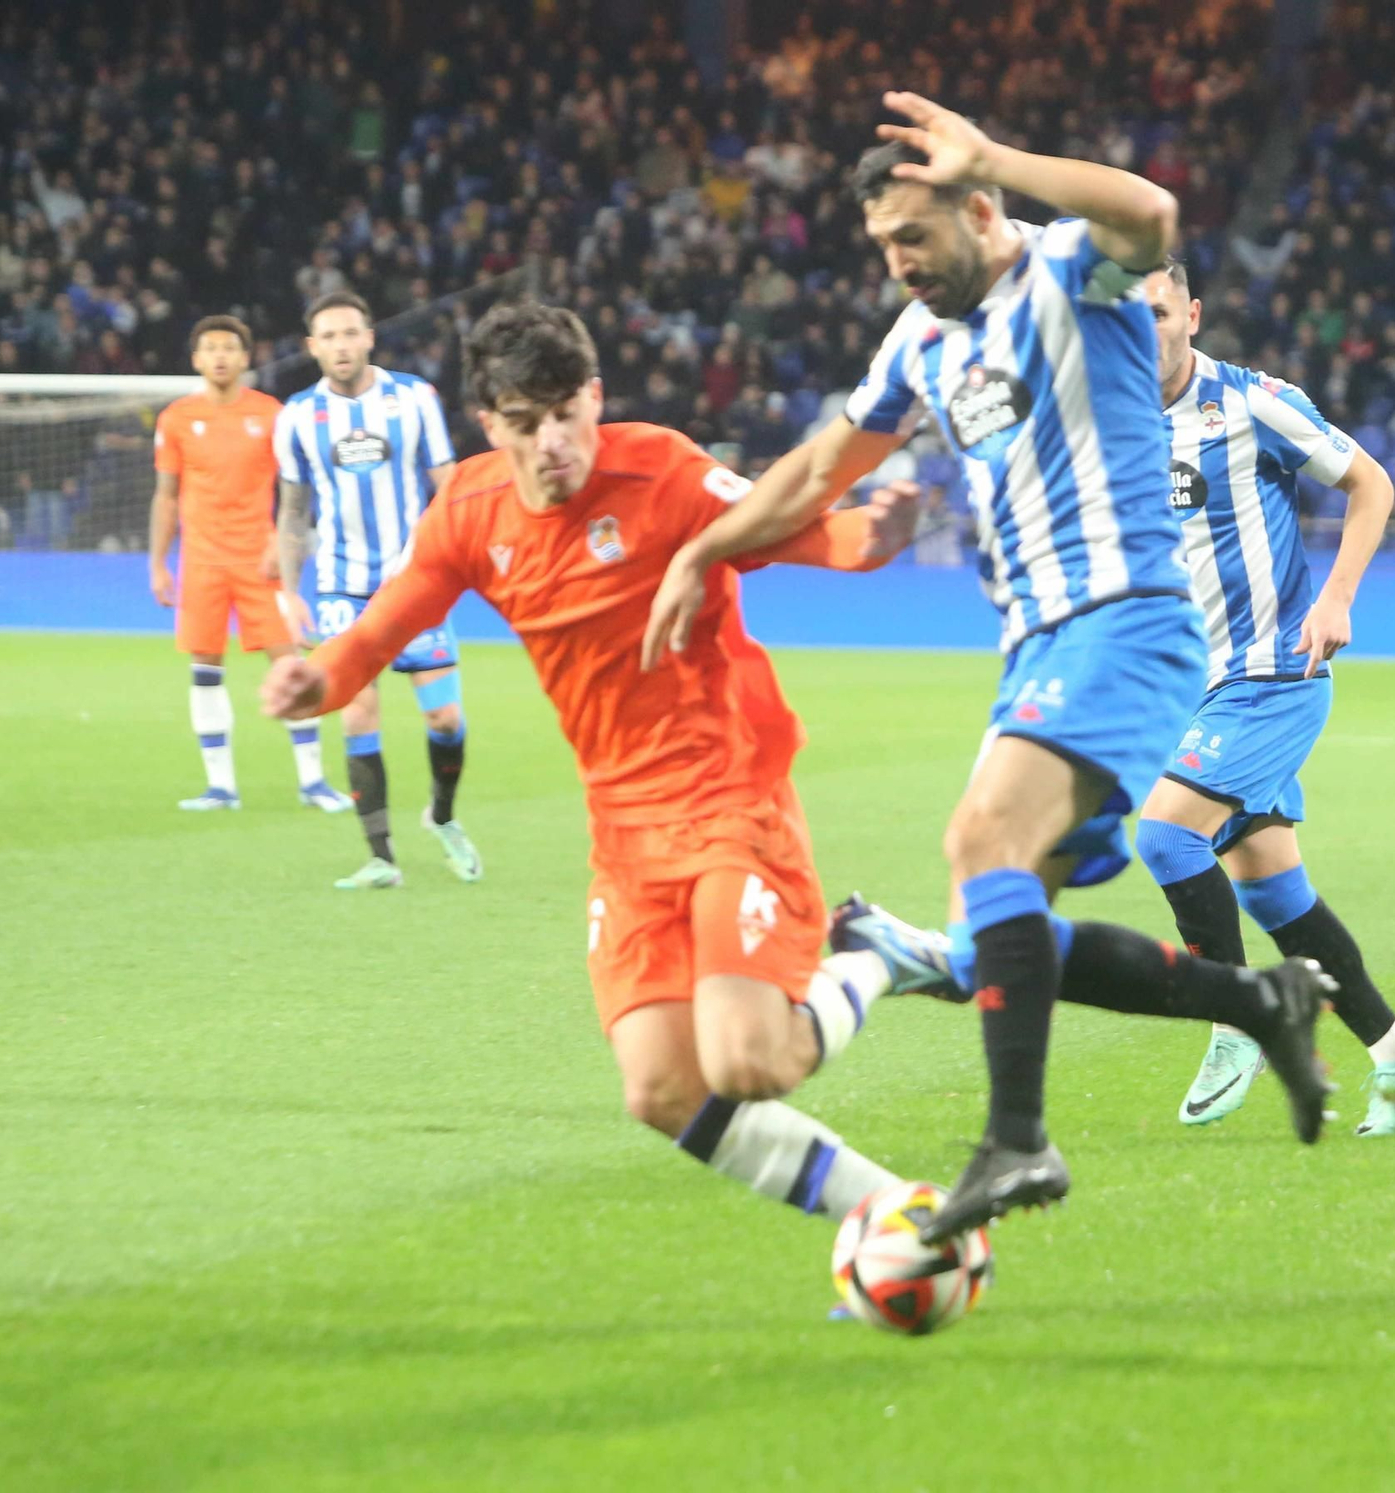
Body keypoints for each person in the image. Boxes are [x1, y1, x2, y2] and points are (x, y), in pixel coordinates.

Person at [641, 95, 1333, 1245]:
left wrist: (1000, 153)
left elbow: (1152, 214)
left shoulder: (1070, 274)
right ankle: (1258, 998)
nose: (900, 262)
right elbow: (820, 466)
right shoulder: (918, 342)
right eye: (881, 247)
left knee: (978, 842)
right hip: (1034, 650)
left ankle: (1017, 1140)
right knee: (992, 941)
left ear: (976, 208)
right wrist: (705, 547)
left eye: (915, 235)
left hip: (1125, 620)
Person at [261, 302, 927, 1235]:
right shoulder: (467, 510)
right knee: (658, 1088)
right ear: (489, 426)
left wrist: (875, 539)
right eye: (524, 423)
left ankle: (872, 960)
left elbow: (810, 533)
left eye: (565, 412)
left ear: (595, 398)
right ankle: (898, 1214)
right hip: (623, 823)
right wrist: (313, 679)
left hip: (729, 787)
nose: (552, 442)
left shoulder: (661, 466)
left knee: (749, 1064)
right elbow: (373, 636)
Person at [1134, 260, 1395, 1137]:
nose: (1144, 329)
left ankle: (1238, 1017)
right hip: (1192, 691)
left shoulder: (1250, 402)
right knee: (1277, 898)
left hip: (1272, 675)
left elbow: (1372, 483)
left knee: (1163, 835)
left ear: (1190, 313)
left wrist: (1337, 595)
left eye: (1158, 311)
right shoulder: (1116, 420)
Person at [273, 291, 474, 890]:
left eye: (349, 333)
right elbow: (291, 512)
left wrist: (442, 557)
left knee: (443, 717)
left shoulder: (413, 399)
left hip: (415, 586)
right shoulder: (298, 416)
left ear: (369, 338)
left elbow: (450, 486)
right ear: (312, 347)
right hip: (341, 588)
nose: (340, 345)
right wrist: (288, 591)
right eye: (327, 337)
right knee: (357, 712)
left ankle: (442, 814)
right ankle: (381, 855)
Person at [149, 314, 350, 815]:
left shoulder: (273, 414)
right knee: (205, 669)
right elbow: (166, 496)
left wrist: (285, 546)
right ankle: (220, 787)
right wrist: (158, 563)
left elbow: (296, 490)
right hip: (202, 563)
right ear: (196, 360)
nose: (220, 356)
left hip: (262, 560)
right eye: (210, 348)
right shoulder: (176, 418)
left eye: (229, 348)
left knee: (292, 663)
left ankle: (314, 781)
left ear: (245, 358)